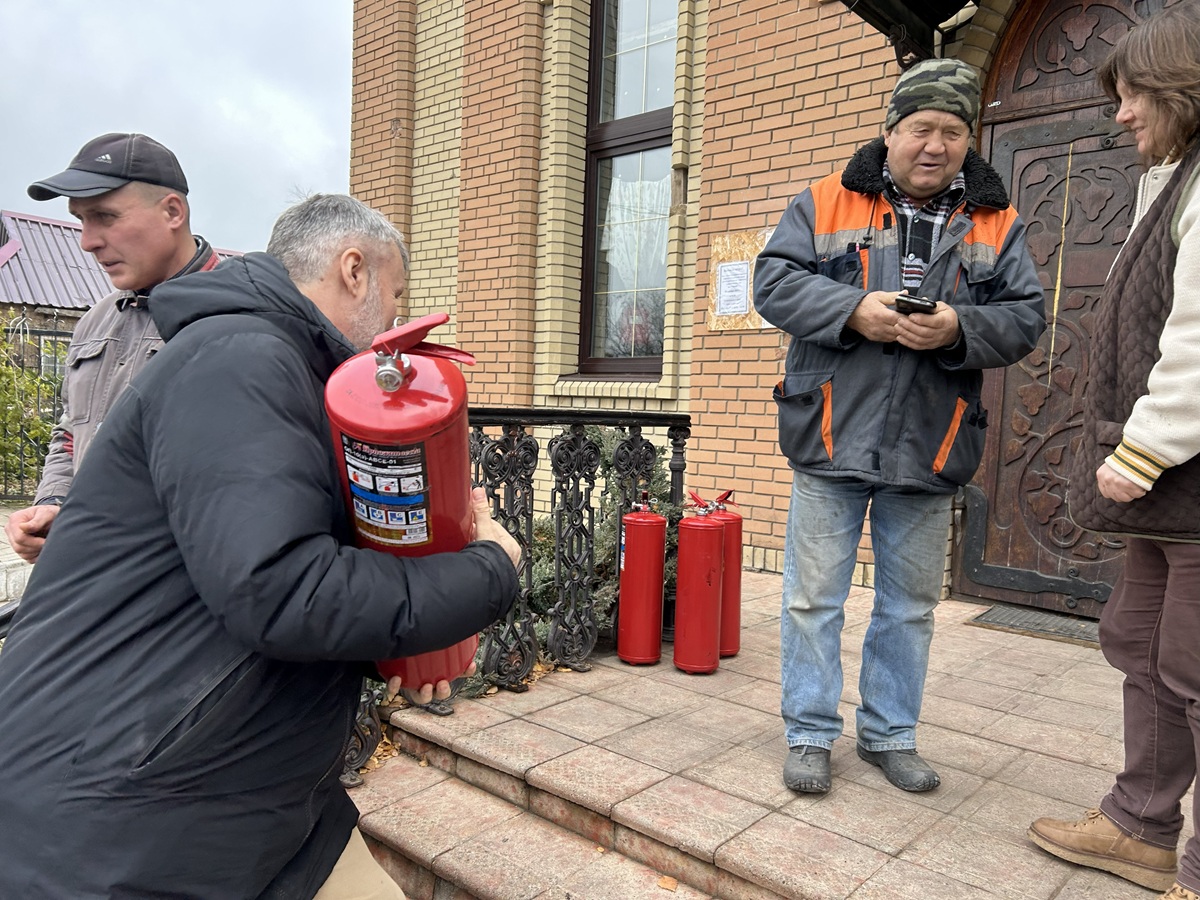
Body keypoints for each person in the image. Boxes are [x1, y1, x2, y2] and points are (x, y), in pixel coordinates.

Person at [0, 193, 520, 899]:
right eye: (395, 302)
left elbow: (238, 571)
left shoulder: (282, 369)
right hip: (123, 817)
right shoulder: (239, 359)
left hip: (243, 783)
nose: (394, 327)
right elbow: (279, 590)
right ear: (354, 270)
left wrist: (386, 648)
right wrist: (490, 570)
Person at [754, 58, 1046, 795]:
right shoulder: (824, 200)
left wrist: (956, 328)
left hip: (932, 439)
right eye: (921, 127)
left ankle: (889, 735)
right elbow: (773, 281)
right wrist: (851, 310)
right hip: (830, 432)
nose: (935, 144)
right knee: (812, 597)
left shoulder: (998, 220)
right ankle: (811, 733)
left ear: (967, 140)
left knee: (909, 605)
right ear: (890, 131)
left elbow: (1025, 319)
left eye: (952, 131)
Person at [1026, 5, 1200, 898]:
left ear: (1178, 86)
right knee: (1140, 640)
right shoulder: (1178, 181)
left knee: (1196, 667)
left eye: (1133, 94)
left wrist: (1142, 450)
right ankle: (1141, 826)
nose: (1122, 114)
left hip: (1186, 478)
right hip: (1174, 495)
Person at [4, 132, 221, 563]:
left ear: (173, 211)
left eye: (104, 216)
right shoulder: (94, 320)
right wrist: (54, 503)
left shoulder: (235, 320)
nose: (87, 240)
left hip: (178, 586)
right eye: (81, 219)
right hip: (91, 568)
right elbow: (70, 432)